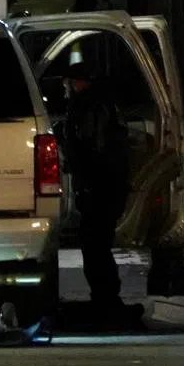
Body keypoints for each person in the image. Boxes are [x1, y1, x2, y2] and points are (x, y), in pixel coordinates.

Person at [54, 62, 131, 315]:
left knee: (94, 245)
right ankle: (105, 297)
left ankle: (105, 298)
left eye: (67, 84)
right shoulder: (103, 103)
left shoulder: (88, 106)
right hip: (107, 185)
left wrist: (80, 173)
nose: (66, 90)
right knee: (98, 244)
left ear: (77, 83)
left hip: (99, 187)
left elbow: (89, 149)